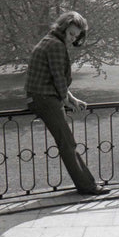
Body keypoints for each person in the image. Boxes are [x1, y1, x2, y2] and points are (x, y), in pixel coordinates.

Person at [25, 11, 110, 195]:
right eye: (71, 34)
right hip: (45, 100)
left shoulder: (49, 41)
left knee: (67, 143)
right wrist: (67, 101)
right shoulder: (55, 45)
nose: (72, 39)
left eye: (76, 36)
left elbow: (56, 79)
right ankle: (87, 186)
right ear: (62, 28)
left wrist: (72, 99)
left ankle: (87, 184)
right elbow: (58, 79)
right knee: (67, 143)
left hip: (41, 97)